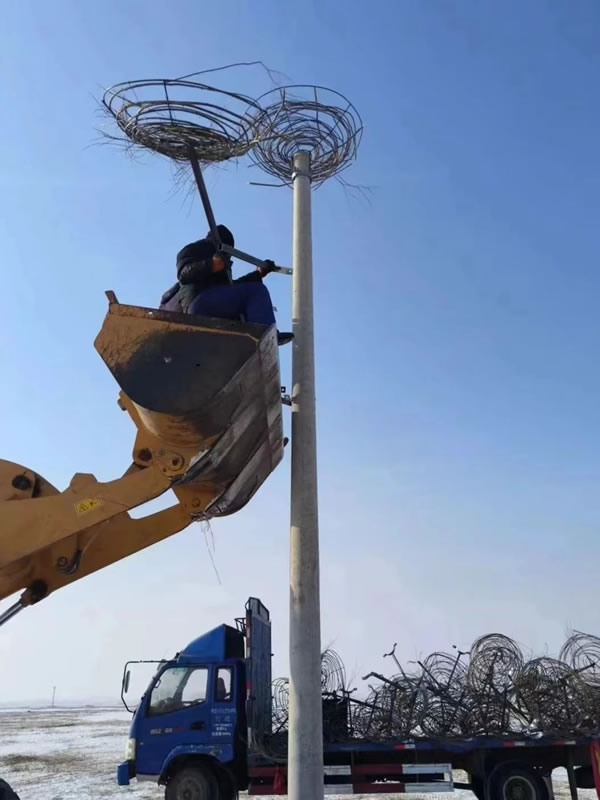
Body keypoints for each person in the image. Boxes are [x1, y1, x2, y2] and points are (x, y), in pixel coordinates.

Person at [160, 225, 292, 345]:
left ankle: (251, 342)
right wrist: (210, 265)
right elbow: (183, 274)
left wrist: (258, 274)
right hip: (199, 302)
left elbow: (232, 289)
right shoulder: (196, 248)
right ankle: (266, 335)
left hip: (208, 305)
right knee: (257, 291)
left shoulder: (221, 265)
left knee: (248, 300)